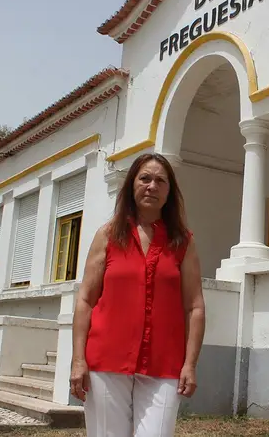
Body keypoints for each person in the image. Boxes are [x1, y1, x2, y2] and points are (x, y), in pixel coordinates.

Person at [70, 153, 206, 437]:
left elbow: (195, 306)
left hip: (164, 364)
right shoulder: (107, 235)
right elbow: (85, 300)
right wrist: (78, 360)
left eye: (160, 180)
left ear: (169, 192)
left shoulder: (183, 241)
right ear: (132, 185)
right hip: (106, 360)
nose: (151, 186)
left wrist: (190, 365)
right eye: (144, 178)